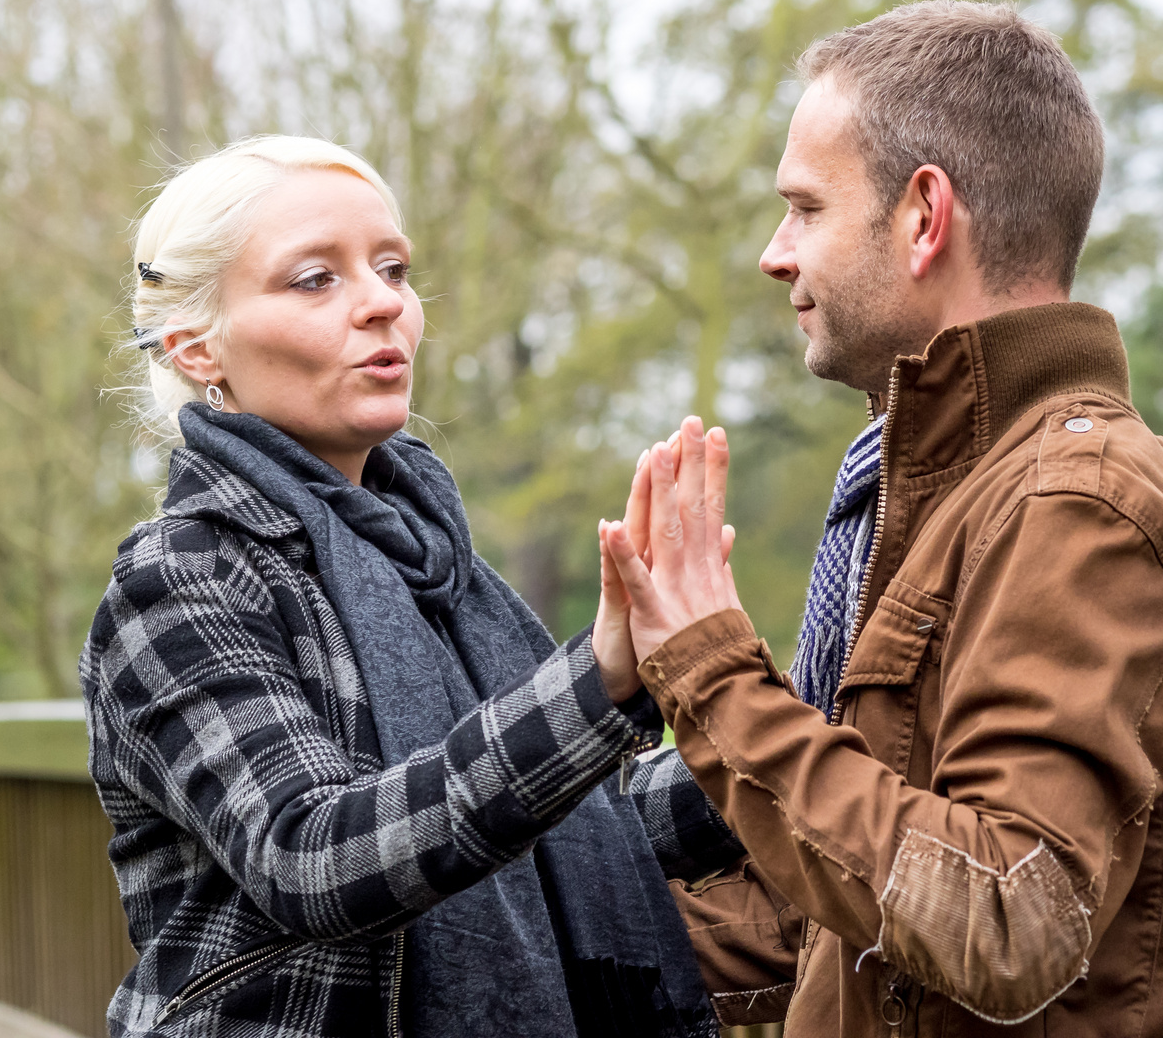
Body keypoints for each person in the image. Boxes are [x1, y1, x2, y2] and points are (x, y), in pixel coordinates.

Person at [600, 1, 1163, 1037]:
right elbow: (852, 913)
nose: (773, 254)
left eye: (805, 207)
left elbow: (1005, 914)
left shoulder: (1078, 503)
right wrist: (512, 940)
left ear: (924, 215)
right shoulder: (932, 495)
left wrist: (710, 674)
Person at [78, 135, 720, 1038]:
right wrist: (596, 684)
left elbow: (576, 842)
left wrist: (777, 741)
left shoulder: (437, 568)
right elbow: (314, 856)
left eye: (393, 268)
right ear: (196, 349)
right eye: (315, 279)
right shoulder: (183, 579)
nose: (382, 304)